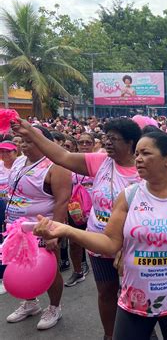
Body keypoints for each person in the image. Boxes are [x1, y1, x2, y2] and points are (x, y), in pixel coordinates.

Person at [34, 132, 167, 340]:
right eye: (137, 153)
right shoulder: (129, 196)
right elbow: (110, 243)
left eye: (146, 153)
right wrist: (66, 230)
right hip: (134, 299)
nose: (138, 158)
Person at [11, 118, 141, 340]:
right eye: (106, 137)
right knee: (106, 293)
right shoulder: (100, 162)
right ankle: (109, 336)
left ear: (131, 143)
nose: (107, 143)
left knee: (137, 298)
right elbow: (62, 156)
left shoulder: (144, 170)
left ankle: (142, 334)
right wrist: (30, 132)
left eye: (114, 139)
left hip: (134, 248)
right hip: (97, 243)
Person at [5, 126, 71, 330]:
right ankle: (31, 302)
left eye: (29, 140)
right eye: (21, 140)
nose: (23, 144)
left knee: (50, 270)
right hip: (17, 229)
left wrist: (54, 234)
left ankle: (54, 307)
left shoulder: (56, 166)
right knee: (21, 265)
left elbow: (62, 201)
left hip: (43, 227)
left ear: (44, 142)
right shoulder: (18, 161)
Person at [64, 133, 96, 287]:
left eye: (87, 142)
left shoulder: (100, 162)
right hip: (75, 208)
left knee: (99, 243)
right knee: (74, 241)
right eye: (81, 142)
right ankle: (77, 271)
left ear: (93, 145)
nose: (84, 145)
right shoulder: (72, 162)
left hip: (96, 209)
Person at [0, 140, 19, 295]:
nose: (5, 154)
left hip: (16, 210)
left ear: (16, 152)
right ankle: (3, 275)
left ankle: (14, 273)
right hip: (1, 207)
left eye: (8, 151)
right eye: (2, 151)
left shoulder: (20, 165)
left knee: (13, 241)